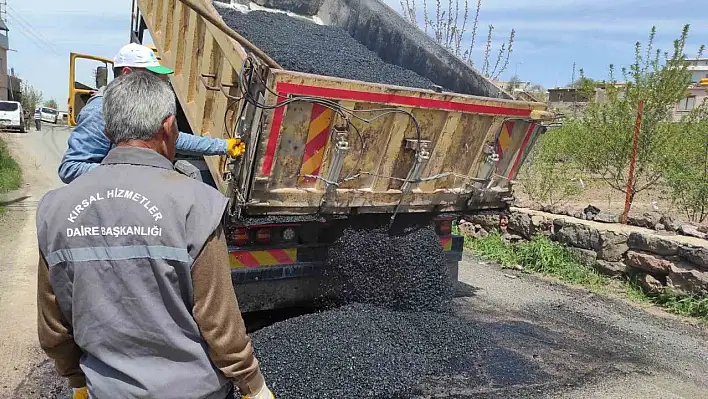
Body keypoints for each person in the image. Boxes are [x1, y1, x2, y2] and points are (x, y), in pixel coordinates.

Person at [36, 72, 274, 399]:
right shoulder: (197, 204)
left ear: (108, 132)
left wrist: (76, 379)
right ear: (169, 127)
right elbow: (219, 322)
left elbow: (53, 329)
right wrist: (253, 385)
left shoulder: (55, 210)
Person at [58, 42, 245, 184]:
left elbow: (174, 139)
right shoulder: (100, 109)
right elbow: (70, 168)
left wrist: (224, 146)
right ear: (126, 72)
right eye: (151, 75)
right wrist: (131, 172)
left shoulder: (141, 106)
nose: (157, 82)